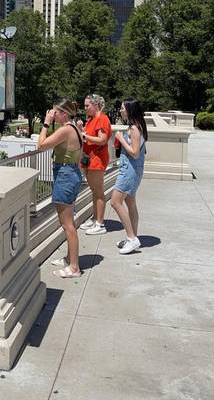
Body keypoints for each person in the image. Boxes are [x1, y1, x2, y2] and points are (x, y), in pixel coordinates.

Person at [38, 99, 85, 277]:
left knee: (67, 225)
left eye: (55, 112)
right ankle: (69, 258)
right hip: (71, 173)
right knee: (69, 222)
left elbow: (41, 145)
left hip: (65, 175)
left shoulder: (66, 129)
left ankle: (74, 268)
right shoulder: (75, 128)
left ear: (64, 114)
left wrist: (45, 123)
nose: (52, 113)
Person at [112, 99, 148, 254]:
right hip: (134, 170)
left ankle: (132, 238)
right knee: (130, 202)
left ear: (129, 110)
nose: (120, 110)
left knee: (115, 202)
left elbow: (134, 152)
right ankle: (132, 237)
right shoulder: (138, 126)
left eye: (122, 108)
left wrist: (121, 139)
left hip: (129, 171)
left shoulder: (134, 128)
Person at [78, 94, 112, 235]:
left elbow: (102, 139)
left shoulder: (102, 119)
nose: (85, 108)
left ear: (95, 105)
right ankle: (95, 218)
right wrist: (81, 130)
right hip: (89, 158)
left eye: (87, 106)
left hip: (97, 159)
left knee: (98, 191)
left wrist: (84, 135)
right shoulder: (92, 120)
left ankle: (100, 223)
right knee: (94, 190)